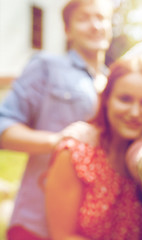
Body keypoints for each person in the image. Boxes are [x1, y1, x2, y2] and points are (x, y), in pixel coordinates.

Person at [0, 0, 113, 239]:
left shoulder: (117, 84)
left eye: (101, 18)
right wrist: (58, 140)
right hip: (37, 222)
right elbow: (3, 128)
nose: (95, 25)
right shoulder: (46, 67)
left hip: (91, 227)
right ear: (67, 30)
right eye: (83, 18)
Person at [45, 57, 142, 240]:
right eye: (125, 99)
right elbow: (62, 235)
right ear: (107, 98)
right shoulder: (75, 154)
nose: (135, 112)